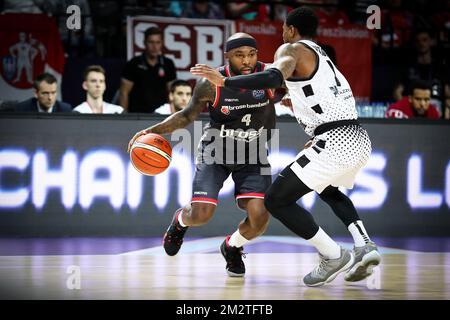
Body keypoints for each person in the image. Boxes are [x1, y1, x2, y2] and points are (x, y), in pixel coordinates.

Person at [191, 7, 381, 287]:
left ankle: (332, 255)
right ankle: (364, 243)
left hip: (335, 139)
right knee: (328, 188)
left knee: (276, 200)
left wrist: (225, 81)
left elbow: (271, 77)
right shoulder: (324, 56)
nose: (282, 34)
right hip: (356, 136)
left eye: (283, 29)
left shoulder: (291, 49)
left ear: (291, 29)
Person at [128, 33, 276, 277]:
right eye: (239, 55)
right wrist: (151, 130)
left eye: (251, 54)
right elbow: (186, 116)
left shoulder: (268, 77)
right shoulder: (210, 83)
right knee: (201, 215)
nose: (247, 61)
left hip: (253, 153)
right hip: (216, 151)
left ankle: (232, 246)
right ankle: (180, 222)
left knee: (260, 219)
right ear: (227, 57)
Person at [119, 26, 177, 113]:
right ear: (144, 43)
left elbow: (172, 93)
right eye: (151, 42)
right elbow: (124, 92)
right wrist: (124, 117)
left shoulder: (168, 64)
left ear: (162, 43)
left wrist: (172, 117)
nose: (154, 46)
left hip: (161, 116)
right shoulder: (133, 64)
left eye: (158, 42)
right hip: (137, 115)